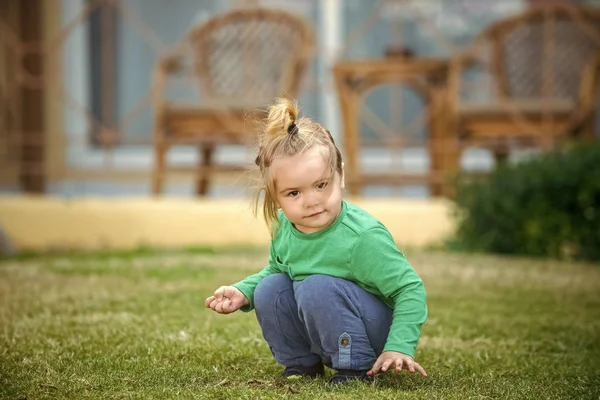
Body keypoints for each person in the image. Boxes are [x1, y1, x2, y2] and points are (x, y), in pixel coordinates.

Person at [205, 97, 428, 385]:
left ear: (341, 175)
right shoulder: (286, 227)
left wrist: (398, 346)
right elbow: (278, 270)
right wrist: (244, 291)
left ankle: (355, 368)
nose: (311, 201)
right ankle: (301, 365)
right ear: (275, 197)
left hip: (373, 334)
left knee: (316, 285)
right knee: (269, 288)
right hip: (326, 325)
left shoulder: (362, 237)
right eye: (294, 193)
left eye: (321, 185)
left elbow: (409, 289)